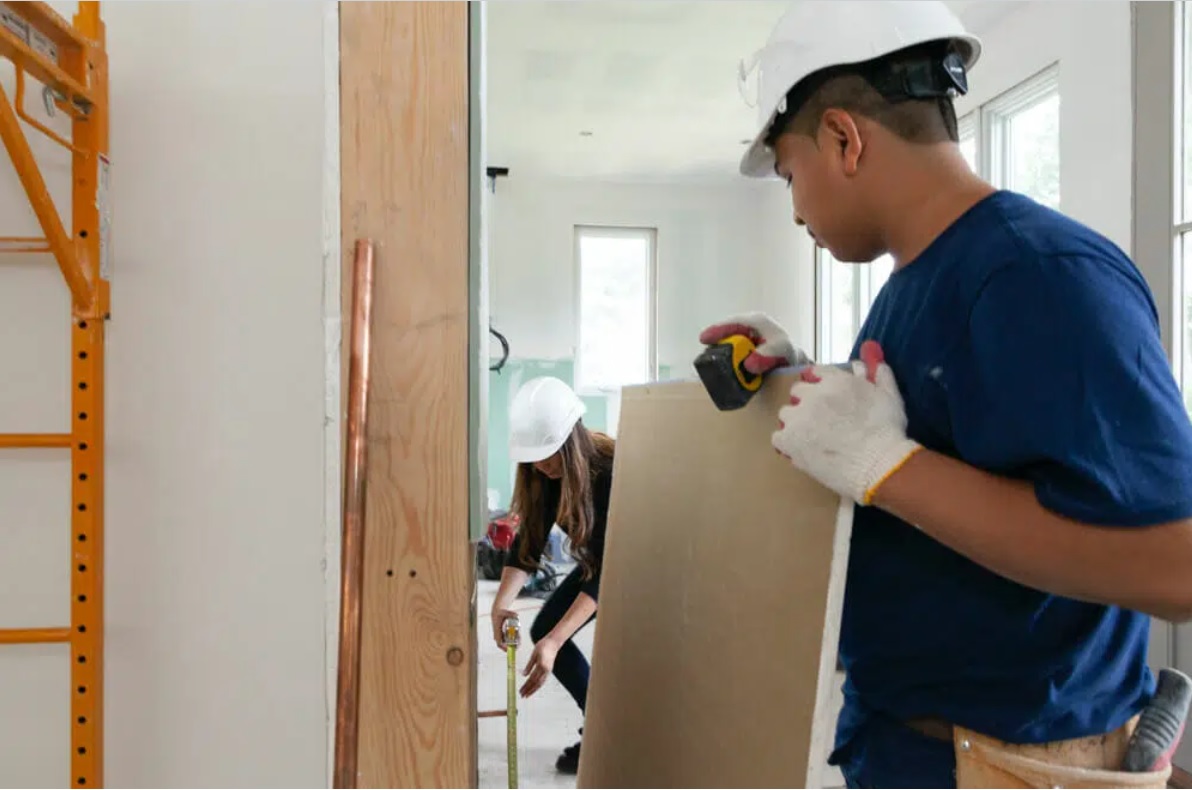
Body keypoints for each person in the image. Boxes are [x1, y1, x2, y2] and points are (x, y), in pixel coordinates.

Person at [700, 1, 1192, 787]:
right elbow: (948, 444)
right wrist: (802, 383)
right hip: (917, 743)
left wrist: (889, 468)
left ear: (842, 138)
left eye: (792, 175)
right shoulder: (919, 279)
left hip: (1013, 763)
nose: (794, 209)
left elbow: (1178, 568)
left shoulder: (1038, 275)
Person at [489, 375, 615, 775]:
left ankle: (613, 734)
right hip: (600, 561)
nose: (541, 465)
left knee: (555, 637)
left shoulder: (610, 471)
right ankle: (600, 729)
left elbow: (609, 570)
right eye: (534, 457)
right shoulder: (541, 476)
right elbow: (528, 543)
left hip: (638, 564)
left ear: (572, 439)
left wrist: (556, 642)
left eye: (549, 454)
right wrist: (500, 603)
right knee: (544, 628)